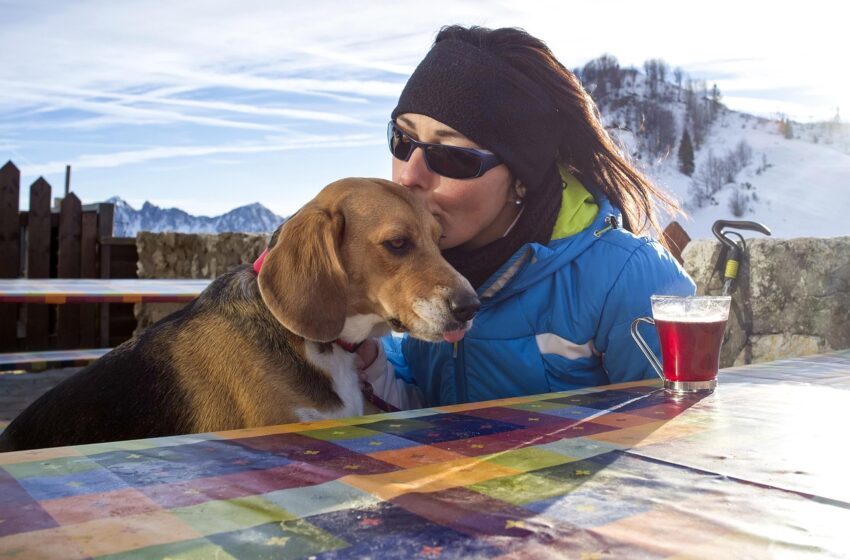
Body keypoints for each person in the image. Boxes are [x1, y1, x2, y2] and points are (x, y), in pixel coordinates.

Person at [355, 25, 695, 410]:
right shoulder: (404, 261)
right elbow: (418, 407)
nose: (407, 176)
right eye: (403, 140)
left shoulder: (628, 279)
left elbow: (676, 438)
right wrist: (369, 362)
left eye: (450, 156)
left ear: (521, 180)